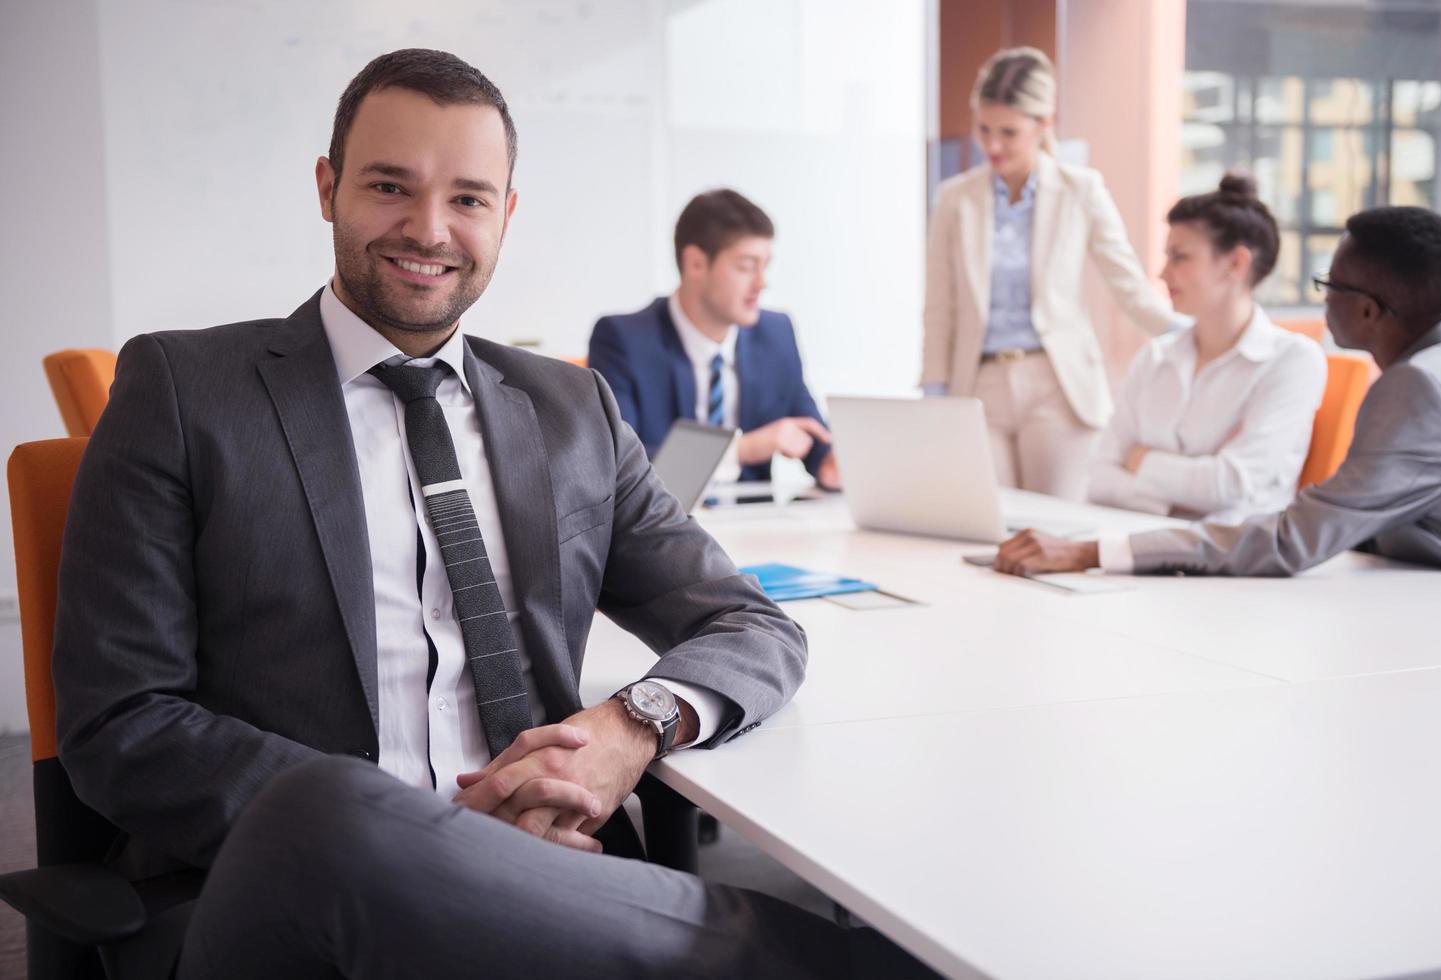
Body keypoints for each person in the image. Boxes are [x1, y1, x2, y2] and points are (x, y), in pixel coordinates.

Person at [51, 49, 928, 978]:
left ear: (505, 215)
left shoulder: (570, 411)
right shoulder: (186, 391)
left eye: (468, 198)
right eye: (390, 185)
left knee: (888, 935)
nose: (428, 228)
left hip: (555, 877)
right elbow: (121, 720)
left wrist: (629, 726)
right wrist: (415, 830)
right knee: (325, 809)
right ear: (328, 187)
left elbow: (748, 623)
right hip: (297, 897)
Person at [997, 206, 1441, 578]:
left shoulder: (1415, 388)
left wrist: (1090, 551)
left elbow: (1293, 539)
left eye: (1330, 284)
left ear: (1368, 311)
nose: (1323, 298)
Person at [921, 46, 1180, 500]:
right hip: (977, 385)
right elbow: (939, 307)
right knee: (983, 524)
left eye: (1009, 132)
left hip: (1057, 384)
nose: (993, 145)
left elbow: (1130, 289)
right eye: (984, 129)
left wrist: (1196, 336)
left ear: (1044, 124)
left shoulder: (1082, 189)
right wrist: (935, 392)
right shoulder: (955, 199)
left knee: (1054, 527)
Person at [1087, 174, 1326, 523]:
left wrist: (1141, 461)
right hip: (1141, 543)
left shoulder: (1292, 361)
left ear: (1235, 264)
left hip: (1233, 562)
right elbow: (1100, 479)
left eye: (1179, 257)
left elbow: (1232, 485)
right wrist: (1174, 506)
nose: (1162, 273)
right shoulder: (1155, 357)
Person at [589, 189, 840, 489]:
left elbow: (810, 432)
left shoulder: (776, 335)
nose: (762, 283)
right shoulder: (624, 340)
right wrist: (744, 449)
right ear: (695, 263)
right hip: (658, 530)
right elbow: (621, 468)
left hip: (755, 525)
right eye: (746, 267)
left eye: (765, 266)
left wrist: (832, 463)